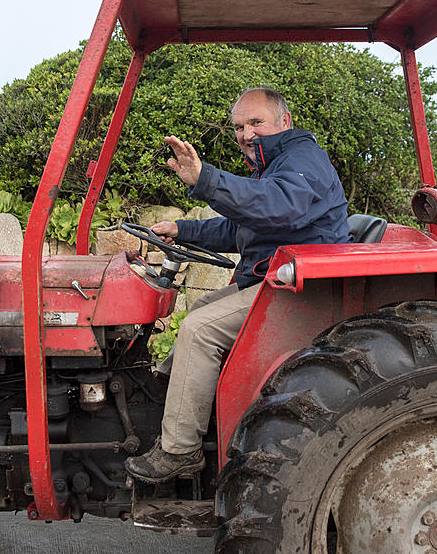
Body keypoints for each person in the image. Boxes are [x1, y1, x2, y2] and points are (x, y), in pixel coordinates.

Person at [124, 86, 351, 483]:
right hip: (275, 278)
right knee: (200, 309)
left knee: (199, 329)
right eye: (239, 127)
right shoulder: (275, 165)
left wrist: (206, 179)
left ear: (285, 122)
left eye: (256, 123)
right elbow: (243, 225)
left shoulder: (302, 161)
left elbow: (275, 205)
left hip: (304, 290)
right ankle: (169, 396)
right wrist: (183, 228)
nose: (246, 134)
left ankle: (179, 451)